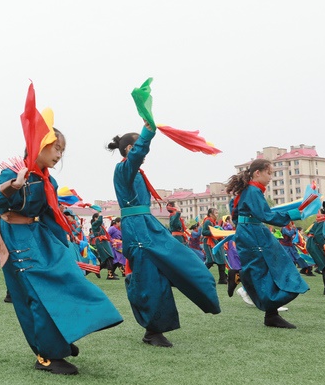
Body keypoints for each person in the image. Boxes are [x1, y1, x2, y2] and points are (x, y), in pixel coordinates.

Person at [0, 129, 122, 374]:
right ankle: (47, 355)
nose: (59, 154)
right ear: (39, 145)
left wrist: (62, 246)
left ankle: (61, 339)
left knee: (67, 278)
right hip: (16, 237)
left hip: (41, 236)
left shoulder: (50, 181)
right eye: (56, 148)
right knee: (36, 294)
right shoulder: (13, 172)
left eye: (62, 150)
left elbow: (49, 214)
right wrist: (14, 185)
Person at [107, 125, 220, 347]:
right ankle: (153, 330)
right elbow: (137, 155)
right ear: (130, 149)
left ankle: (197, 293)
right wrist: (148, 133)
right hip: (138, 228)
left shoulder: (133, 172)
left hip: (146, 224)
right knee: (150, 277)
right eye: (139, 146)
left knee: (178, 263)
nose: (144, 153)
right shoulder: (124, 169)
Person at [226, 159, 307, 328]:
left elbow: (235, 214)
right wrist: (293, 214)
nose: (271, 177)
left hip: (250, 231)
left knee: (266, 270)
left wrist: (243, 228)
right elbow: (266, 215)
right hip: (254, 233)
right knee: (271, 269)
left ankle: (271, 314)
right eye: (269, 173)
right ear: (258, 173)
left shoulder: (246, 191)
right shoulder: (253, 191)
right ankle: (269, 312)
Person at [200, 208, 227, 284]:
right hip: (209, 242)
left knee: (221, 259)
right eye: (216, 213)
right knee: (210, 261)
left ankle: (222, 279)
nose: (217, 214)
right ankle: (199, 275)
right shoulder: (207, 221)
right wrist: (214, 232)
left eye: (217, 213)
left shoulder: (214, 222)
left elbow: (216, 232)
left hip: (215, 242)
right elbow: (204, 232)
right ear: (211, 214)